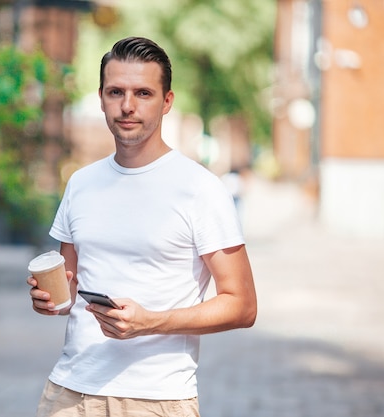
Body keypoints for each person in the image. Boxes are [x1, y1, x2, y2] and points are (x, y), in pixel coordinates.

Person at [27, 36, 257, 417]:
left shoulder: (200, 189)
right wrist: (50, 300)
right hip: (69, 393)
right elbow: (71, 288)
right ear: (101, 97)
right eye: (116, 91)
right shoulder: (81, 183)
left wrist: (152, 322)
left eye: (143, 93)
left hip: (156, 398)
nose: (128, 106)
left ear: (167, 101)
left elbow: (243, 305)